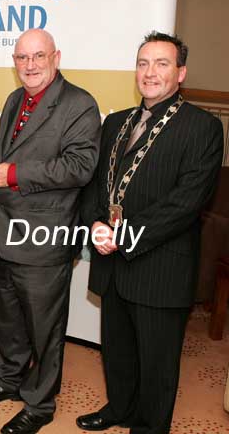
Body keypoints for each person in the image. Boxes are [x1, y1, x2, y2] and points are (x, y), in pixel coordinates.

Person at [77, 32, 223, 433]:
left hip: (160, 267)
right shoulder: (116, 122)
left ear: (181, 73)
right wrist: (94, 223)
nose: (150, 72)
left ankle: (148, 427)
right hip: (112, 262)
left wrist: (122, 235)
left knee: (157, 364)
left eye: (162, 64)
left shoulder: (203, 128)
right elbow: (95, 187)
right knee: (118, 352)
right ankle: (119, 409)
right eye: (143, 63)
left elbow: (186, 202)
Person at [0, 29, 101, 434]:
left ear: (55, 57)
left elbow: (80, 167)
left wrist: (16, 173)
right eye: (22, 58)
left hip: (45, 238)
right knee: (7, 320)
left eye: (38, 56)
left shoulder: (79, 104)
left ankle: (40, 404)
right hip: (2, 234)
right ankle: (10, 381)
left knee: (45, 330)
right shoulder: (13, 100)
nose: (29, 65)